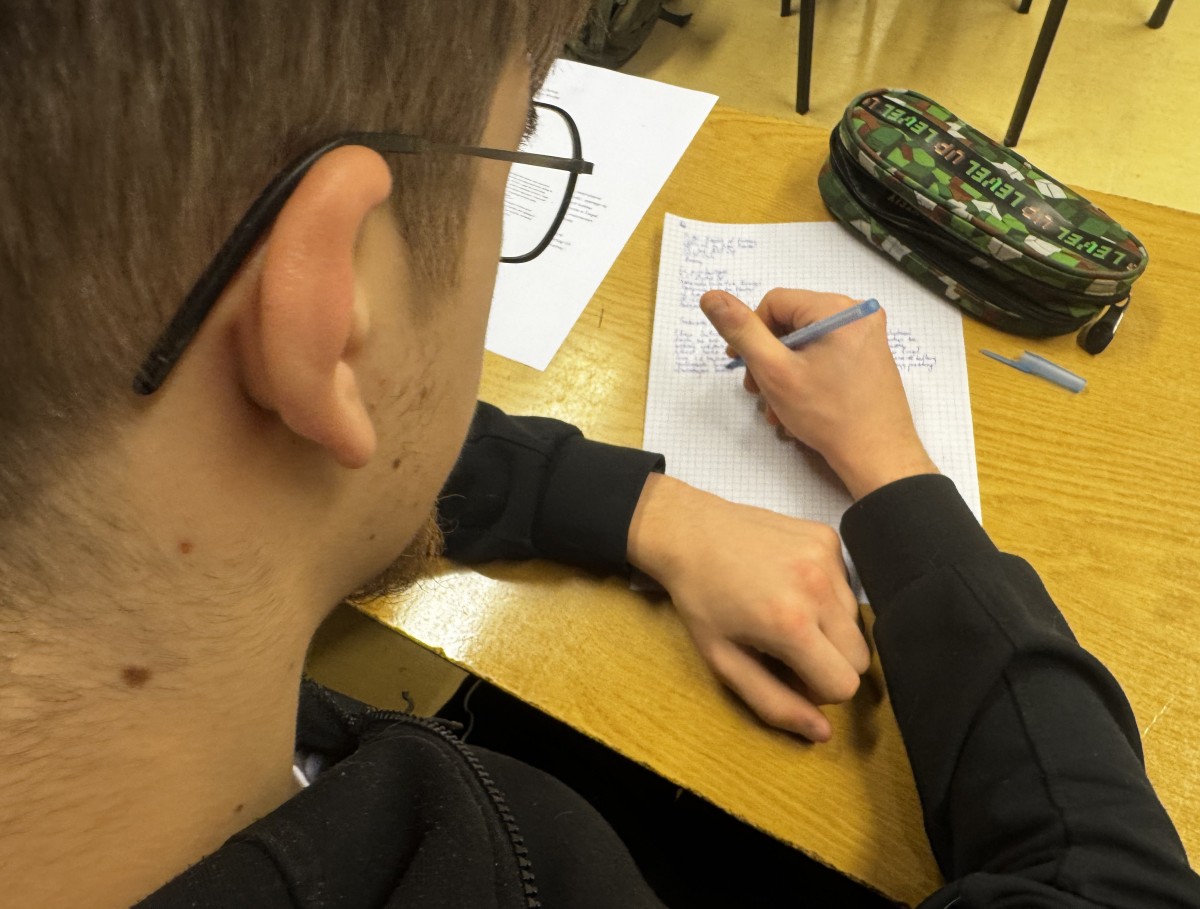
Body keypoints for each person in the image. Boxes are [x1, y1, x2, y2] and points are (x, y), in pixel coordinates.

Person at [0, 2, 1195, 907]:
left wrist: (643, 508)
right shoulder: (527, 864)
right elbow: (1104, 877)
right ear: (337, 310)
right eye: (516, 147)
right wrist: (894, 470)